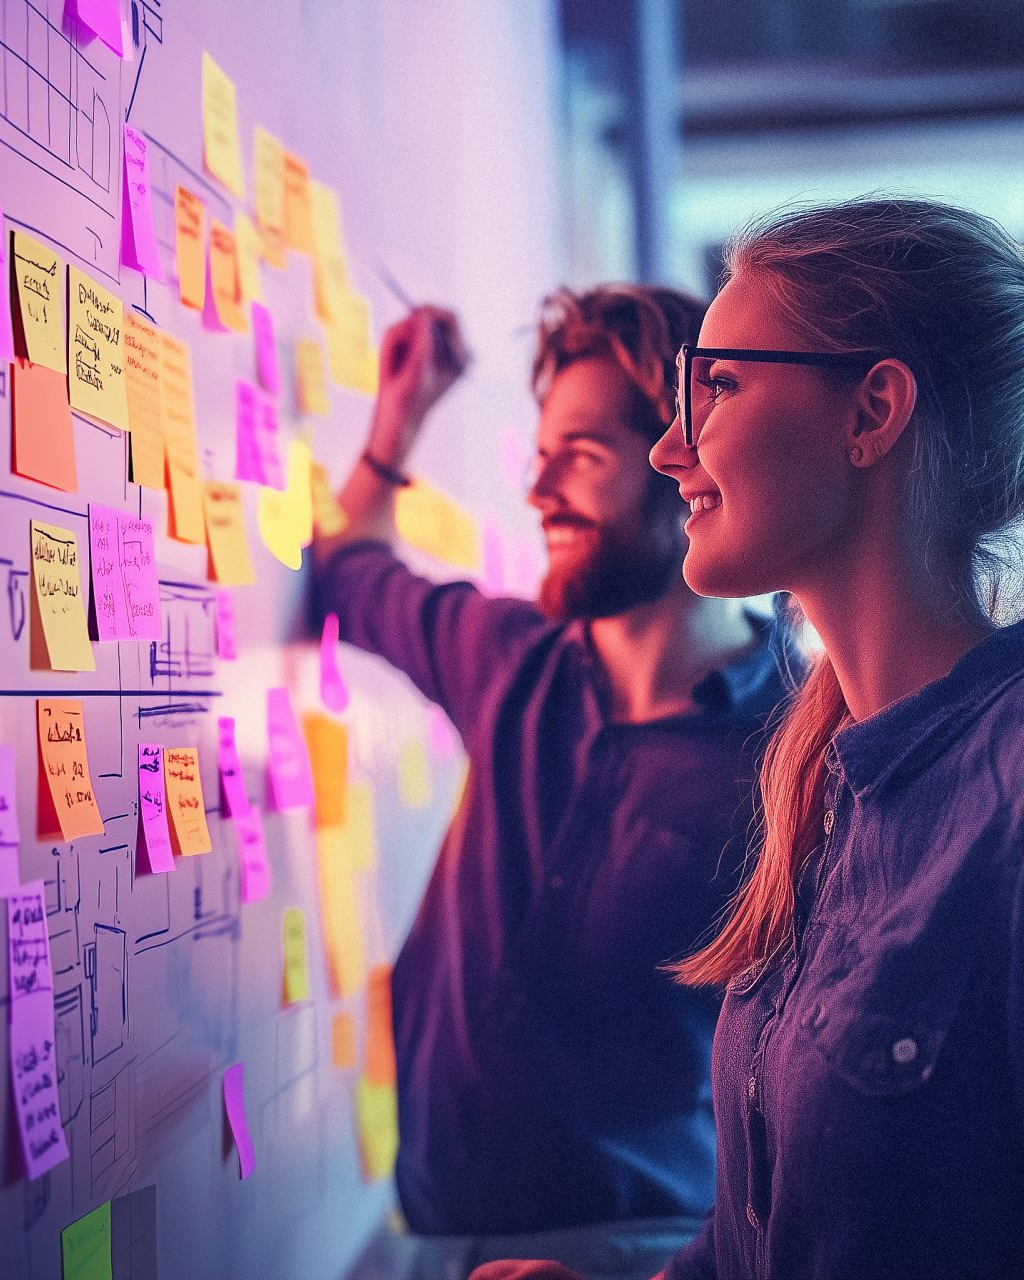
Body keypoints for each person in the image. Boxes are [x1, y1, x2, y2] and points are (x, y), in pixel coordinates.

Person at [478, 196, 1024, 1280]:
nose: (673, 446)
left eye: (717, 384)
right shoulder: (823, 778)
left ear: (873, 412)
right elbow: (770, 1235)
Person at [320, 286, 798, 1280]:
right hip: (432, 1239)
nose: (540, 492)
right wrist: (398, 417)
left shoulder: (799, 746)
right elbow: (350, 567)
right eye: (540, 456)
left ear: (688, 461)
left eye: (580, 455)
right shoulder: (509, 659)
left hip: (650, 1257)